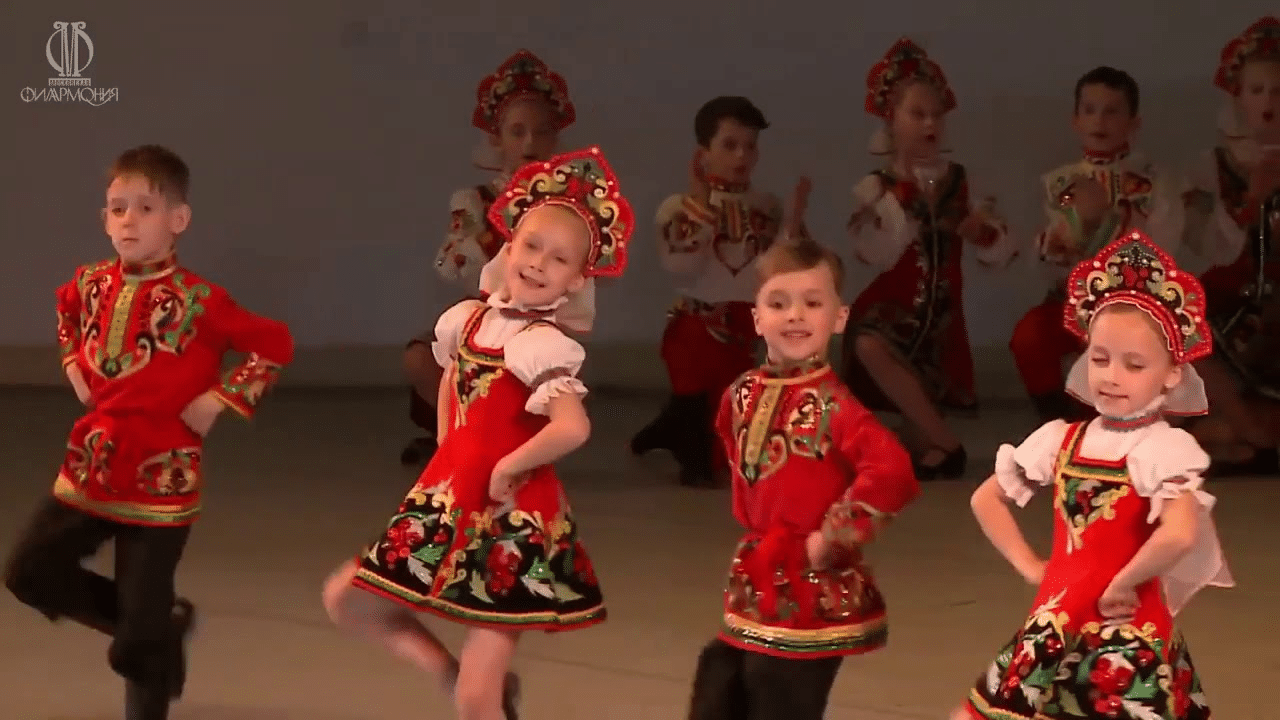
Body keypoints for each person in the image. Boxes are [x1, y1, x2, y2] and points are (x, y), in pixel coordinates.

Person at [323, 146, 632, 720]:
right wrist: (448, 447)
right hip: (450, 499)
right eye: (532, 245)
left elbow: (572, 426)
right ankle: (447, 673)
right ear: (508, 245)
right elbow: (450, 381)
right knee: (347, 599)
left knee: (477, 698)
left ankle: (474, 692)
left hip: (512, 523)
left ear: (577, 280)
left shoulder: (542, 344)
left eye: (559, 259)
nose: (539, 263)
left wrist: (511, 466)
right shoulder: (465, 319)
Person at [3, 144, 295, 720]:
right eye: (117, 208)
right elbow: (65, 313)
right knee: (29, 573)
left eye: (145, 207)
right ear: (104, 218)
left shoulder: (200, 300)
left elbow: (275, 342)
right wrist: (72, 367)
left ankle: (149, 656)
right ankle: (159, 628)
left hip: (161, 480)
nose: (128, 220)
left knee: (139, 634)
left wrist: (222, 397)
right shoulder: (88, 284)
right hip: (89, 467)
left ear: (178, 220)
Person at [952, 230, 1233, 720]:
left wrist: (1125, 581)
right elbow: (985, 498)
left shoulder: (1165, 450)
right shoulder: (1060, 438)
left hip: (1124, 627)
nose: (1111, 376)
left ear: (1171, 374)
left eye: (1134, 364)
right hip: (1062, 617)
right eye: (1100, 359)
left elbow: (1181, 533)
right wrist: (1032, 567)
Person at [686, 237, 919, 720]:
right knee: (722, 685)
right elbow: (737, 457)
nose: (795, 315)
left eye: (812, 303)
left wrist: (833, 535)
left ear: (839, 318)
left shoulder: (838, 408)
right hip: (756, 575)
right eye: (779, 303)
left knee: (780, 698)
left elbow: (892, 470)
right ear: (756, 317)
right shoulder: (741, 393)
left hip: (811, 584)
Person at [842, 37, 1019, 480]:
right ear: (892, 119)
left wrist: (983, 235)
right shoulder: (875, 187)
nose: (929, 124)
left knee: (913, 436)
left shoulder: (962, 180)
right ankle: (948, 442)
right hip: (891, 309)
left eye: (936, 114)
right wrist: (902, 215)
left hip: (941, 317)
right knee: (868, 343)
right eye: (917, 114)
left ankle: (928, 441)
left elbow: (1001, 250)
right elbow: (870, 253)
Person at [401, 49, 576, 466]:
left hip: (539, 320)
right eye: (518, 132)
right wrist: (495, 228)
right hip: (484, 316)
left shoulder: (567, 208)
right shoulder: (474, 201)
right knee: (422, 357)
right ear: (498, 138)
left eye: (540, 132)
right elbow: (448, 266)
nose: (529, 143)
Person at [630, 95, 793, 488]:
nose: (741, 156)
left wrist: (794, 227)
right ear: (704, 152)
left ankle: (671, 426)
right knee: (701, 418)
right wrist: (701, 206)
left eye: (750, 146)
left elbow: (778, 271)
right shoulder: (677, 207)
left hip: (746, 333)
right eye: (729, 145)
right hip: (700, 325)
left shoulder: (768, 206)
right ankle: (682, 431)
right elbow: (680, 267)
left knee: (739, 431)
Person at [1011, 66, 1184, 424]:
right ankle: (1055, 423)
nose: (1099, 121)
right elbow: (1045, 258)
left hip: (1133, 307)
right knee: (1029, 336)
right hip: (1072, 302)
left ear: (1133, 123)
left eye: (1111, 111)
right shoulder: (1058, 183)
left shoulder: (1154, 182)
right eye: (1089, 110)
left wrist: (1109, 218)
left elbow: (1164, 248)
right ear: (1076, 120)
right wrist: (1065, 239)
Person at [1180, 16, 1280, 475]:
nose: (1269, 102)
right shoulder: (1212, 166)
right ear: (1238, 96)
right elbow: (1207, 248)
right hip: (1235, 301)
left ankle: (1243, 436)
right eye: (1257, 90)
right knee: (1178, 322)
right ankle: (1252, 433)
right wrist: (1248, 204)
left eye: (1277, 90)